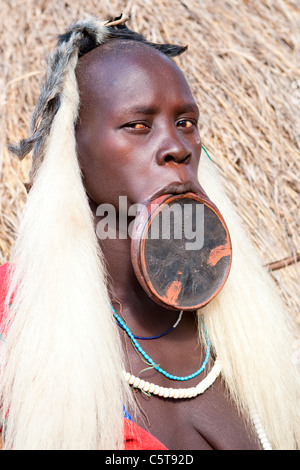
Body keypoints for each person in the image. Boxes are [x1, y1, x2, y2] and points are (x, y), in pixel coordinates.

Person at [0, 14, 299, 450]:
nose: (178, 146)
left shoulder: (247, 334)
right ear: (71, 150)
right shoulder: (13, 325)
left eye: (186, 123)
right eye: (139, 125)